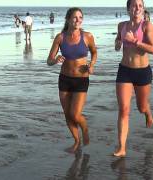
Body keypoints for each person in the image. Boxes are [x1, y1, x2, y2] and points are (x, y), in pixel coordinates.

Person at [47, 7, 97, 153]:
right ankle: (76, 141)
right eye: (75, 17)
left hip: (81, 80)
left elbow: (94, 52)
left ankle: (85, 128)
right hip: (64, 80)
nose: (78, 20)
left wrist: (92, 65)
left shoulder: (87, 36)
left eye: (80, 17)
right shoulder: (60, 37)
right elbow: (49, 61)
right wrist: (55, 60)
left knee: (75, 114)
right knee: (67, 114)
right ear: (68, 19)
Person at [113, 0, 153, 157]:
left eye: (140, 5)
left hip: (142, 72)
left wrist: (135, 41)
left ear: (143, 9)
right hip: (124, 71)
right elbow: (118, 43)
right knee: (124, 109)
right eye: (134, 5)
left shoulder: (147, 26)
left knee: (141, 107)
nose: (137, 8)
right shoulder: (121, 25)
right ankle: (122, 147)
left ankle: (147, 112)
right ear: (128, 8)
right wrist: (118, 43)